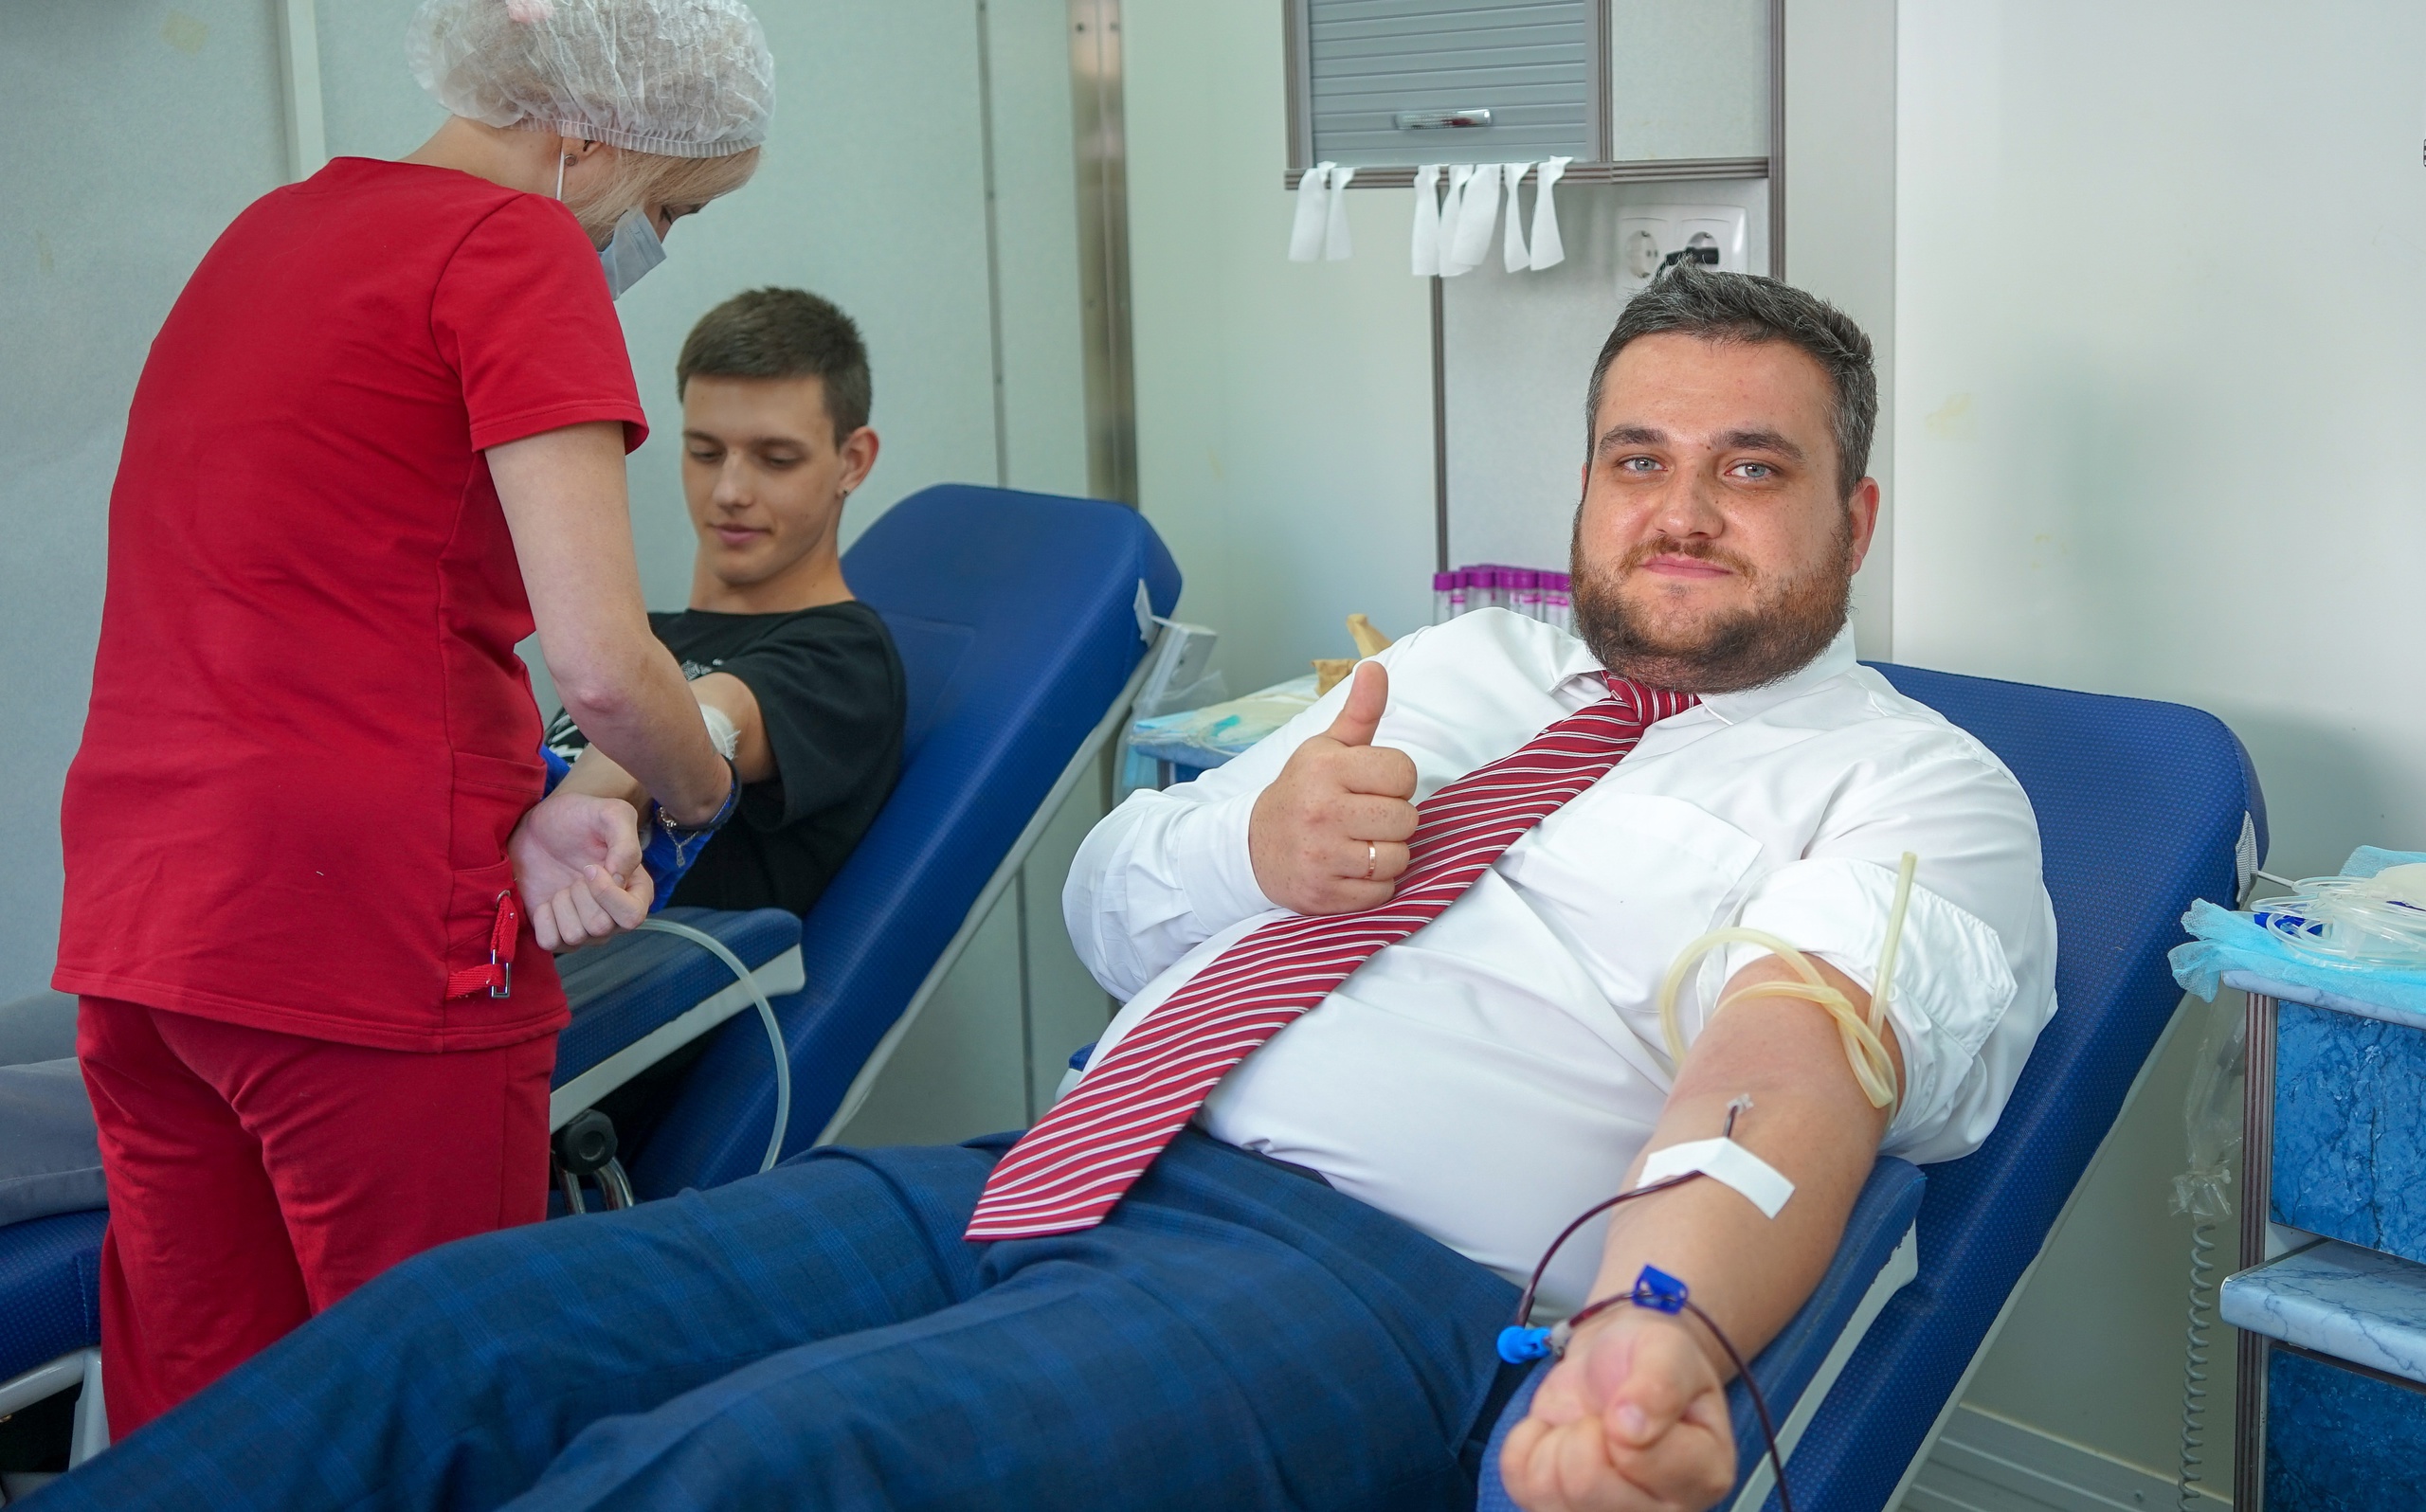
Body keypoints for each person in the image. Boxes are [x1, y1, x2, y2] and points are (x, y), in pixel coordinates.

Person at [39, 266, 2055, 1512]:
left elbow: (1792, 1060)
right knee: (454, 1337)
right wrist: (1255, 847)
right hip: (1051, 1164)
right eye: (1636, 458)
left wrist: (1656, 1334)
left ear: (1855, 513)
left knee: (753, 1472)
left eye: (1750, 468)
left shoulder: (1909, 788)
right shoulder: (1459, 670)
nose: (1680, 510)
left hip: (1363, 1283)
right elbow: (1110, 900)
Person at [49, 0, 774, 1436]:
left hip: (145, 923)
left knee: (209, 1431)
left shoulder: (275, 231)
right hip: (365, 935)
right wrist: (696, 785)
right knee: (434, 1415)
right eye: (674, 206)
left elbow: (302, 600)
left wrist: (534, 805)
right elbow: (602, 666)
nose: (653, 243)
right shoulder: (517, 250)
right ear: (591, 138)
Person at [543, 288, 907, 925]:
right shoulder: (643, 643)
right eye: (706, 453)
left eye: (777, 459)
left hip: (646, 970)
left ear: (852, 462)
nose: (729, 490)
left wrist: (553, 828)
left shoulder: (847, 658)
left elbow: (717, 714)